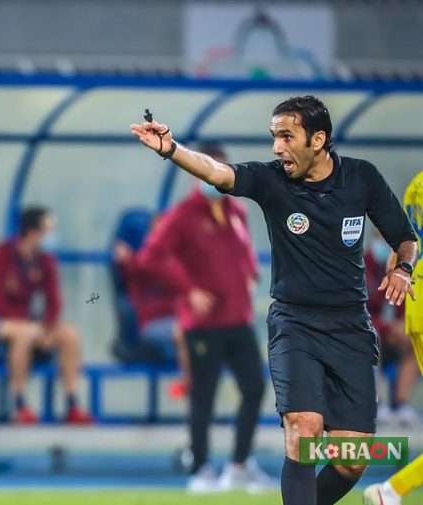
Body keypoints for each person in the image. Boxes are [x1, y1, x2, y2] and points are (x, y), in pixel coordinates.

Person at [130, 95, 417, 505]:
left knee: (353, 458)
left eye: (286, 136)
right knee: (303, 430)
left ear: (318, 139)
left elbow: (405, 238)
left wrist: (402, 269)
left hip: (351, 329)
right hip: (294, 324)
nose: (277, 147)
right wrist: (172, 150)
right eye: (273, 136)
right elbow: (219, 172)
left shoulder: (361, 178)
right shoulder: (273, 181)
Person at [131, 143, 269, 493]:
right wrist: (188, 289)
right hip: (202, 324)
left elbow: (245, 255)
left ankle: (239, 464)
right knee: (203, 396)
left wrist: (250, 278)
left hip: (238, 318)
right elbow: (150, 257)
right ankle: (202, 469)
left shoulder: (235, 210)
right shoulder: (183, 214)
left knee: (254, 387)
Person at [0, 206, 92, 424]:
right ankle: (19, 404)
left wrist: (48, 328)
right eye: (49, 230)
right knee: (25, 334)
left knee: (69, 334)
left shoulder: (45, 260)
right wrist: (32, 329)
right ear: (33, 233)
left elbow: (54, 300)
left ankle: (73, 403)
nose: (52, 237)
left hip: (26, 323)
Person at [364, 170, 423, 505]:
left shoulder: (416, 184)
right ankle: (391, 490)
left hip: (416, 307)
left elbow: (399, 247)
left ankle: (391, 490)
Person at [113, 217, 189, 394]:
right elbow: (137, 267)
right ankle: (188, 384)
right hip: (151, 324)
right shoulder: (143, 260)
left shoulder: (175, 259)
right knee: (184, 332)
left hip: (177, 319)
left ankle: (196, 384)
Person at [365, 232, 420, 426]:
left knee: (415, 341)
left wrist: (403, 325)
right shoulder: (362, 265)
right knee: (371, 341)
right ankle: (376, 406)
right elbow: (359, 310)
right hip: (370, 331)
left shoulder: (405, 267)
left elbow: (409, 302)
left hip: (395, 333)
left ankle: (401, 405)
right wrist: (387, 327)